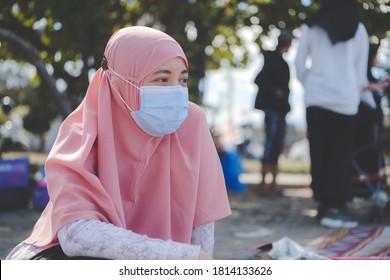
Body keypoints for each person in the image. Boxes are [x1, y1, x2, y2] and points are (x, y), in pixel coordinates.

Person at [6, 26, 231, 260]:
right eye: (162, 79)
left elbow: (202, 238)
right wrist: (181, 257)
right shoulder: (81, 135)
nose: (175, 91)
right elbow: (76, 233)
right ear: (121, 81)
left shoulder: (190, 123)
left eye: (182, 80)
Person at [294, 0, 369, 228]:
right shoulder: (358, 28)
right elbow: (360, 72)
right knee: (340, 155)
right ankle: (335, 209)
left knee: (320, 153)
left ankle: (323, 206)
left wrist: (310, 82)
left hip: (316, 99)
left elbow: (298, 64)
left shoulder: (311, 26)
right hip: (345, 101)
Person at [254, 30, 293, 196]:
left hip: (279, 110)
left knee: (275, 147)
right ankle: (265, 186)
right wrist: (276, 90)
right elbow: (259, 79)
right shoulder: (274, 61)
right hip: (274, 110)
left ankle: (272, 186)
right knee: (271, 147)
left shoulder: (279, 61)